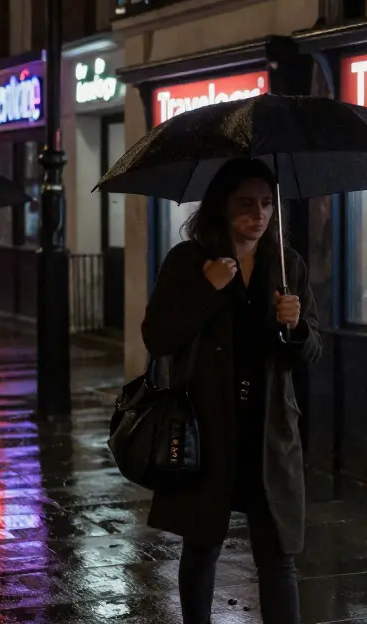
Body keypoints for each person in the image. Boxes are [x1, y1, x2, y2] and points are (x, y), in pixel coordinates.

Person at [141, 158, 320, 624]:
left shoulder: (287, 265)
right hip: (207, 427)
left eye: (266, 204)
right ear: (222, 206)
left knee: (278, 555)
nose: (258, 214)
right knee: (202, 547)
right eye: (246, 203)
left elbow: (313, 349)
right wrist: (206, 291)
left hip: (269, 432)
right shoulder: (188, 261)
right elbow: (157, 337)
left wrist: (297, 327)